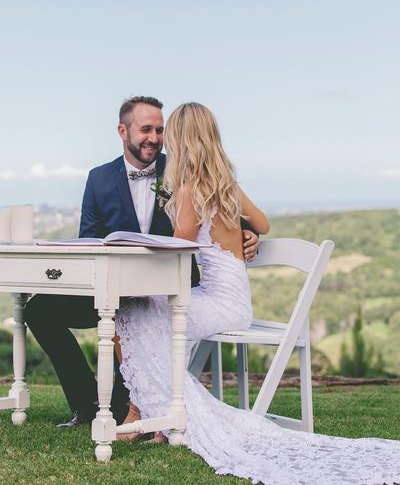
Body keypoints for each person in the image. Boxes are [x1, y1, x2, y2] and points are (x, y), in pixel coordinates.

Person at [116, 102, 400, 484]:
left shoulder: (187, 191)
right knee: (146, 316)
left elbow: (177, 253)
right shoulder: (225, 185)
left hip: (216, 304)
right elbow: (263, 222)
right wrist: (244, 230)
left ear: (181, 141)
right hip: (235, 304)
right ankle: (156, 414)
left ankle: (155, 414)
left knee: (130, 311)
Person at [24, 96, 259, 428]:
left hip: (169, 292)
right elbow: (88, 239)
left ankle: (129, 404)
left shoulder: (181, 169)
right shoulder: (98, 178)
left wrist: (251, 236)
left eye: (160, 130)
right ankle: (85, 401)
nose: (155, 138)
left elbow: (225, 213)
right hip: (113, 288)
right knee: (37, 309)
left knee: (135, 313)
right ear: (123, 131)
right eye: (146, 129)